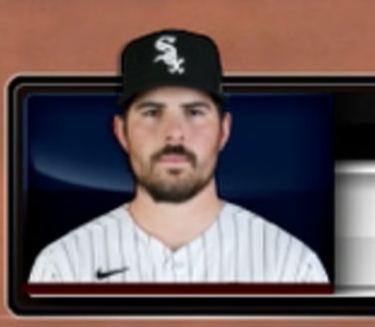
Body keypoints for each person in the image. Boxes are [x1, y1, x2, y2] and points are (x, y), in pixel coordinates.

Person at [28, 30, 329, 285]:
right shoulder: (64, 267)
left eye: (194, 112)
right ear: (121, 132)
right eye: (151, 113)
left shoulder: (289, 266)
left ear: (224, 130)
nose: (174, 133)